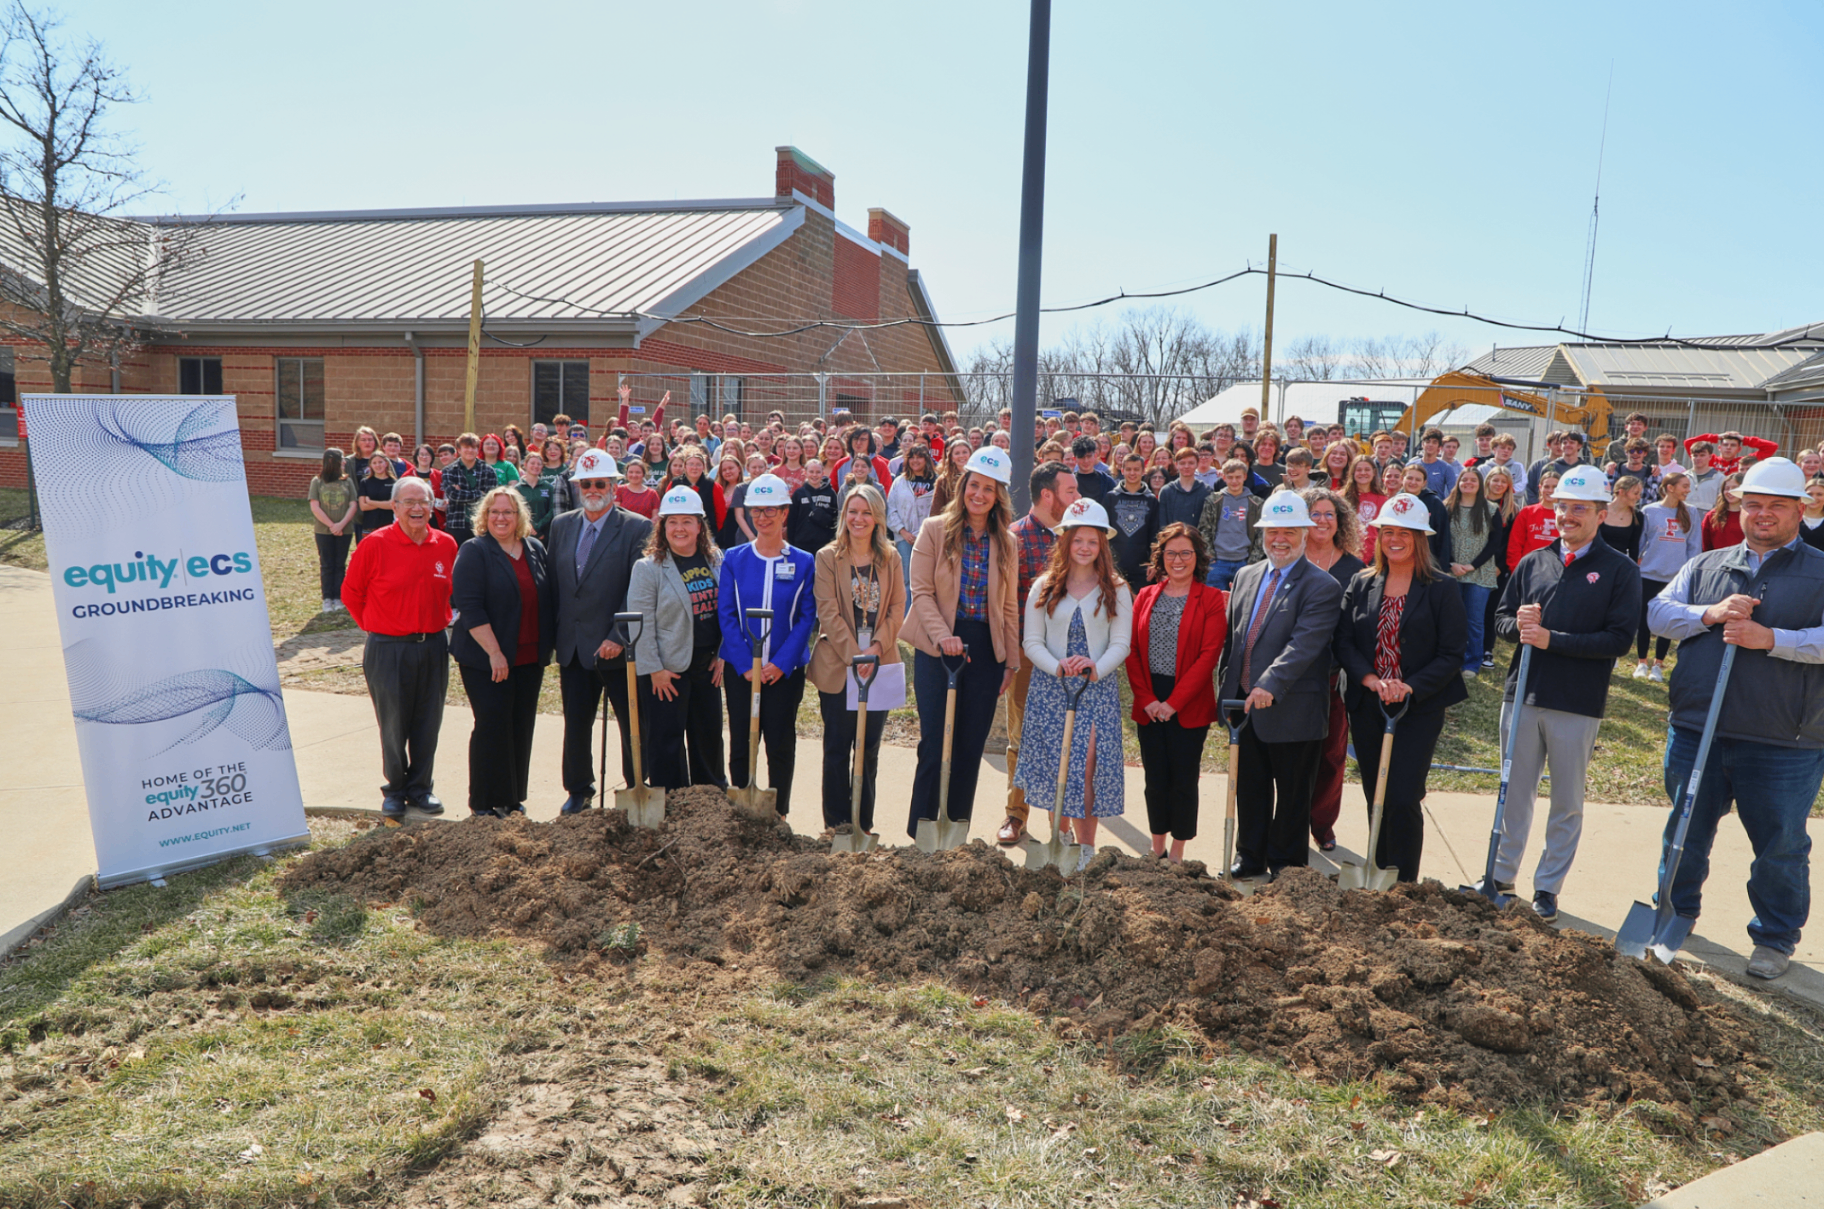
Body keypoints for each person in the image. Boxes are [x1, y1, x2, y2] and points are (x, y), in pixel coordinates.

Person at [1646, 457, 1824, 980]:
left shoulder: (1820, 570)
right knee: (1685, 829)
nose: (1762, 514)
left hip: (1783, 739)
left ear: (1800, 509)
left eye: (1775, 506)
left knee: (1779, 845)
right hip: (1698, 728)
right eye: (1753, 504)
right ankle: (1672, 913)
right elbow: (1658, 612)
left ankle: (1774, 937)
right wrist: (1710, 614)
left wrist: (1772, 640)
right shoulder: (1707, 565)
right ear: (1738, 506)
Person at [1489, 465, 1642, 921]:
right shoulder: (1535, 560)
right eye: (1562, 506)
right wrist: (1519, 627)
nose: (1568, 515)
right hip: (1522, 694)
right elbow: (1499, 620)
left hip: (1576, 701)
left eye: (1579, 508)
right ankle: (1500, 876)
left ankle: (1548, 887)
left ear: (1601, 513)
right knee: (1512, 790)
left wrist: (1553, 640)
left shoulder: (1620, 570)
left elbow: (1618, 641)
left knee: (1566, 800)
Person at [1333, 493, 1469, 881]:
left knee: (1403, 795)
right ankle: (1377, 869)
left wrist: (1407, 686)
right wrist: (1371, 679)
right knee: (1374, 793)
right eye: (1387, 531)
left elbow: (1451, 652)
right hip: (1368, 703)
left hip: (1417, 707)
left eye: (1404, 533)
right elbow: (1343, 641)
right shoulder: (1362, 582)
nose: (1394, 539)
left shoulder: (1440, 587)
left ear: (1420, 539)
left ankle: (1404, 880)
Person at [1216, 491, 1345, 878]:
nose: (1280, 540)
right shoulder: (1246, 575)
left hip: (1292, 708)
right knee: (1250, 787)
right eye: (1273, 532)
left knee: (1292, 795)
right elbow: (1235, 639)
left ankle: (1287, 867)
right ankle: (1250, 855)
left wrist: (1269, 684)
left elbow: (1304, 645)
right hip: (1244, 704)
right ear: (1262, 534)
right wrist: (1228, 691)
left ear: (1306, 534)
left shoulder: (1322, 586)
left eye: (1290, 531)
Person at [905, 447, 1022, 841]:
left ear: (998, 495)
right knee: (936, 742)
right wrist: (943, 638)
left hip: (985, 648)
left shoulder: (1006, 541)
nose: (979, 495)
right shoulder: (935, 529)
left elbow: (1008, 606)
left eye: (989, 489)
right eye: (974, 485)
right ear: (963, 486)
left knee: (970, 745)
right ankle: (921, 831)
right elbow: (920, 592)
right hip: (938, 644)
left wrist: (1010, 660)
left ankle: (955, 830)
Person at [1013, 498, 1134, 870]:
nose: (1085, 547)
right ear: (1065, 541)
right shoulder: (1045, 586)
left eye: (1092, 541)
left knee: (1087, 766)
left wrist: (1096, 667)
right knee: (1056, 765)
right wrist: (1057, 666)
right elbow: (1031, 641)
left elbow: (1121, 643)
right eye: (1078, 540)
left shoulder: (1115, 587)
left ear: (1102, 546)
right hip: (1053, 688)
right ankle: (1058, 837)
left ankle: (1086, 847)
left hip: (1094, 688)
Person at [339, 477, 456, 820]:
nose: (417, 508)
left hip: (433, 645)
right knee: (393, 723)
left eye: (423, 501)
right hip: (387, 648)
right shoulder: (374, 545)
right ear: (395, 507)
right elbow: (351, 594)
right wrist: (377, 625)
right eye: (408, 502)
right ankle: (395, 789)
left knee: (428, 721)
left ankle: (421, 788)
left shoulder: (446, 545)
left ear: (433, 506)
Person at [550, 450, 654, 814]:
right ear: (578, 487)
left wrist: (617, 635)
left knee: (631, 724)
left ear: (614, 486)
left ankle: (635, 784)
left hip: (618, 649)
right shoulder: (562, 525)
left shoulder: (637, 527)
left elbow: (638, 590)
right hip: (574, 646)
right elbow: (556, 586)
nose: (593, 490)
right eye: (586, 484)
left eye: (601, 483)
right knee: (576, 724)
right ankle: (578, 789)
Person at [449, 487, 554, 818]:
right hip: (486, 658)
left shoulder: (535, 548)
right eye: (494, 512)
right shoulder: (475, 550)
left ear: (519, 516)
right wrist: (495, 653)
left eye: (508, 512)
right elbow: (469, 606)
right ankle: (483, 802)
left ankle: (511, 798)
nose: (501, 518)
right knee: (492, 725)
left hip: (528, 657)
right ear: (484, 516)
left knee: (520, 726)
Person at [718, 473, 818, 817]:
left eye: (771, 510)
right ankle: (742, 809)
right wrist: (746, 664)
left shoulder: (804, 562)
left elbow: (807, 617)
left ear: (784, 513)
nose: (763, 517)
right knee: (743, 743)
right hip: (741, 670)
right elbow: (727, 614)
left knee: (779, 742)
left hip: (783, 671)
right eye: (756, 510)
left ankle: (779, 814)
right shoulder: (733, 558)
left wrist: (781, 663)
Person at [1126, 524, 1225, 863]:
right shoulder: (1144, 596)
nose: (1178, 560)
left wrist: (1173, 703)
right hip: (1150, 699)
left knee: (1183, 779)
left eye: (1185, 553)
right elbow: (1132, 652)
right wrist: (1149, 700)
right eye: (1171, 553)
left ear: (1197, 557)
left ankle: (1178, 852)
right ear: (1161, 557)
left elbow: (1208, 656)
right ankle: (1156, 847)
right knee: (1155, 778)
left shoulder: (1211, 599)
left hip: (1188, 701)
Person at [810, 484, 905, 838]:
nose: (859, 519)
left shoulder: (891, 557)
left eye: (866, 513)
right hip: (838, 663)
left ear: (878, 517)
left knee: (868, 750)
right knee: (837, 747)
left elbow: (898, 607)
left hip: (879, 663)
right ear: (844, 516)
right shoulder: (827, 557)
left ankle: (863, 825)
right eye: (853, 512)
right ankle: (836, 825)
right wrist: (856, 656)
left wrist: (877, 648)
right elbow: (828, 612)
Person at [997, 460, 1078, 846]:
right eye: (1071, 491)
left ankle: (1061, 819)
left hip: (1070, 655)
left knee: (1066, 737)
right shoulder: (1014, 539)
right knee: (1022, 738)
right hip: (1028, 655)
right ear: (1048, 495)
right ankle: (1016, 814)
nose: (1077, 497)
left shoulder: (1078, 537)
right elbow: (1005, 605)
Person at [626, 486, 726, 792]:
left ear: (700, 526)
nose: (679, 528)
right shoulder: (649, 568)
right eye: (672, 522)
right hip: (667, 670)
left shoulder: (716, 559)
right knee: (666, 740)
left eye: (687, 521)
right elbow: (638, 624)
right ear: (663, 526)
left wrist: (723, 653)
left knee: (708, 737)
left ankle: (710, 801)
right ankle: (671, 802)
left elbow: (728, 611)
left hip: (708, 665)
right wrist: (654, 668)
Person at [1300, 486, 1366, 851]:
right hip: (1291, 678)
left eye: (1329, 514)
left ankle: (1322, 824)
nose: (1322, 520)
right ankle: (1290, 820)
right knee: (1293, 755)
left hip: (1333, 679)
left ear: (1340, 521)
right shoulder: (1289, 561)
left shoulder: (1356, 571)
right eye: (1315, 514)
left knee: (1331, 755)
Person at [1636, 470, 1701, 682]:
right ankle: (1642, 662)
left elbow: (1694, 547)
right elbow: (1640, 542)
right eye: (1684, 485)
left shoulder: (1691, 512)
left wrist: (1688, 573)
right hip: (1648, 574)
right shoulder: (1649, 511)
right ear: (1670, 488)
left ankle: (1658, 664)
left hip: (1674, 577)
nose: (1688, 490)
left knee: (1666, 620)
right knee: (1644, 619)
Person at [1444, 466, 1502, 678]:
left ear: (1480, 485)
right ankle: (1451, 660)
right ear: (1458, 483)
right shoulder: (1447, 507)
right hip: (1453, 572)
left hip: (1479, 572)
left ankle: (1472, 662)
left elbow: (1495, 542)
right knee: (1452, 619)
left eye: (1473, 481)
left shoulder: (1491, 509)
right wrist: (1451, 563)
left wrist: (1473, 565)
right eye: (1464, 480)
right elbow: (1441, 540)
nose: (1468, 483)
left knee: (1475, 620)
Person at [1199, 460, 1263, 591]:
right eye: (1230, 477)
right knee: (1215, 605)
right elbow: (1204, 529)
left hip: (1244, 562)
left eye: (1238, 477)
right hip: (1217, 563)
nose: (1234, 481)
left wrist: (1252, 562)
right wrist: (1211, 557)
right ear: (1224, 477)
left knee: (1243, 606)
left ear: (1245, 477)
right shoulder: (1213, 500)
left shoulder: (1256, 503)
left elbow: (1261, 534)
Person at [1479, 466, 1520, 668]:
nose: (1499, 485)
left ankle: (1487, 649)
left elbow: (1510, 542)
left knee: (1491, 609)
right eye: (1495, 480)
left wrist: (1501, 567)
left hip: (1496, 569)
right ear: (1488, 481)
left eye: (1503, 482)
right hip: (1473, 565)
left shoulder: (1511, 510)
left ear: (1508, 486)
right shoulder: (1475, 503)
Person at [308, 448, 358, 612]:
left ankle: (339, 598)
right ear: (332, 461)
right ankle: (327, 598)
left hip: (345, 530)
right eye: (342, 459)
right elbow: (315, 507)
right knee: (327, 564)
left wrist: (341, 524)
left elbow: (353, 504)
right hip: (323, 530)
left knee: (340, 564)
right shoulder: (317, 481)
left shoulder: (347, 481)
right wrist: (331, 525)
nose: (345, 462)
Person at [1107, 451, 1158, 589]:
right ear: (1122, 470)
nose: (1132, 473)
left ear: (1143, 471)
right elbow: (1104, 532)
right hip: (1114, 565)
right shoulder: (1111, 498)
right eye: (1128, 469)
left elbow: (1155, 535)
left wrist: (1154, 562)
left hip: (1142, 567)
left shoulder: (1151, 500)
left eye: (1136, 469)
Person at [887, 444, 938, 583]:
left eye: (919, 457)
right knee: (906, 579)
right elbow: (891, 509)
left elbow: (939, 511)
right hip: (904, 538)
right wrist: (903, 532)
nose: (915, 461)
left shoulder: (937, 482)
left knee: (925, 578)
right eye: (912, 457)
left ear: (927, 459)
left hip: (928, 538)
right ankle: (906, 605)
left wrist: (921, 533)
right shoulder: (899, 482)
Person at [441, 434, 498, 545]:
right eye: (466, 447)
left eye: (473, 447)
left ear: (478, 450)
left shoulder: (488, 471)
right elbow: (453, 496)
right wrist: (479, 493)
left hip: (481, 524)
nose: (470, 450)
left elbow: (490, 499)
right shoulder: (449, 470)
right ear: (459, 450)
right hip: (456, 524)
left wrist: (461, 492)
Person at [1506, 470, 1561, 567]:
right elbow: (1514, 546)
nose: (1550, 490)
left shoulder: (1565, 515)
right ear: (1540, 488)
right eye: (1546, 487)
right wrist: (1517, 572)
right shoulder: (1527, 512)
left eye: (1555, 487)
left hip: (1556, 570)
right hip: (1529, 570)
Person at [789, 457, 840, 553]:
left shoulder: (830, 493)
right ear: (805, 473)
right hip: (802, 543)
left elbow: (836, 517)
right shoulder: (799, 494)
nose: (814, 475)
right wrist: (792, 543)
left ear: (823, 473)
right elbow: (792, 521)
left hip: (825, 543)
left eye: (818, 472)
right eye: (811, 472)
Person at [1344, 454, 1387, 565]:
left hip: (1375, 557)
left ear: (1373, 473)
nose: (1363, 473)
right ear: (1353, 473)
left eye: (1367, 469)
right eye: (1359, 470)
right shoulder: (1341, 498)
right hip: (1346, 555)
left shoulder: (1383, 500)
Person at [1157, 445, 1212, 532]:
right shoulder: (1166, 491)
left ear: (1197, 464)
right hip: (1172, 542)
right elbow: (1162, 524)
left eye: (1191, 463)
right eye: (1182, 463)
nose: (1186, 466)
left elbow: (1208, 524)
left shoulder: (1206, 491)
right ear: (1176, 465)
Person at [1685, 429, 1778, 477]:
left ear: (1739, 449)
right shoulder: (1709, 459)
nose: (1729, 448)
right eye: (1725, 445)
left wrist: (1744, 439)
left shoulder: (1744, 462)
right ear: (1719, 448)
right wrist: (1717, 437)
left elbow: (1772, 447)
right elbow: (1688, 443)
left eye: (1733, 445)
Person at [512, 452, 562, 541]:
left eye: (539, 464)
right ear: (525, 465)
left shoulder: (549, 487)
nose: (536, 466)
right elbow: (516, 510)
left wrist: (538, 526)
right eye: (532, 463)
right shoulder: (517, 489)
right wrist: (529, 526)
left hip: (545, 534)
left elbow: (552, 510)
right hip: (524, 532)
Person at [1600, 475, 1646, 563]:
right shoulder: (1600, 511)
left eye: (1639, 494)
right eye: (1635, 493)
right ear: (1621, 492)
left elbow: (1634, 548)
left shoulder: (1637, 516)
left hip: (1619, 566)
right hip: (1595, 562)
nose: (1638, 497)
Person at [355, 452, 399, 539]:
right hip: (370, 525)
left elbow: (393, 505)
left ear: (386, 463)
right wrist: (384, 504)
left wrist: (370, 502)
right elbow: (363, 506)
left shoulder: (394, 483)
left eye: (380, 462)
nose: (377, 465)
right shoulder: (365, 482)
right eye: (374, 463)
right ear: (370, 465)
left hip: (389, 526)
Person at [1703, 473, 1746, 550]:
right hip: (1718, 560)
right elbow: (1705, 546)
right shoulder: (1712, 516)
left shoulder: (1750, 515)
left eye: (1734, 488)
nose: (1729, 492)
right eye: (1727, 488)